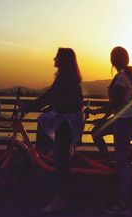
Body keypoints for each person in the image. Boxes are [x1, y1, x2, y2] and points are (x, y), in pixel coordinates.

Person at [24, 47, 84, 213]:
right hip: (69, 120)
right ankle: (49, 156)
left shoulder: (64, 76)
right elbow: (59, 98)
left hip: (66, 123)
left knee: (62, 163)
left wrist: (29, 107)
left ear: (62, 59)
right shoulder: (69, 76)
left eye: (56, 56)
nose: (53, 59)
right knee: (60, 156)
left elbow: (50, 95)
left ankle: (60, 200)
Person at [85, 46, 132, 215]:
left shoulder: (121, 77)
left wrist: (96, 112)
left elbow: (114, 104)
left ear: (112, 61)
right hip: (125, 119)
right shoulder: (127, 76)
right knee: (97, 132)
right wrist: (103, 117)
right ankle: (110, 162)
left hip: (123, 121)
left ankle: (123, 205)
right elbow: (117, 105)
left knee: (122, 163)